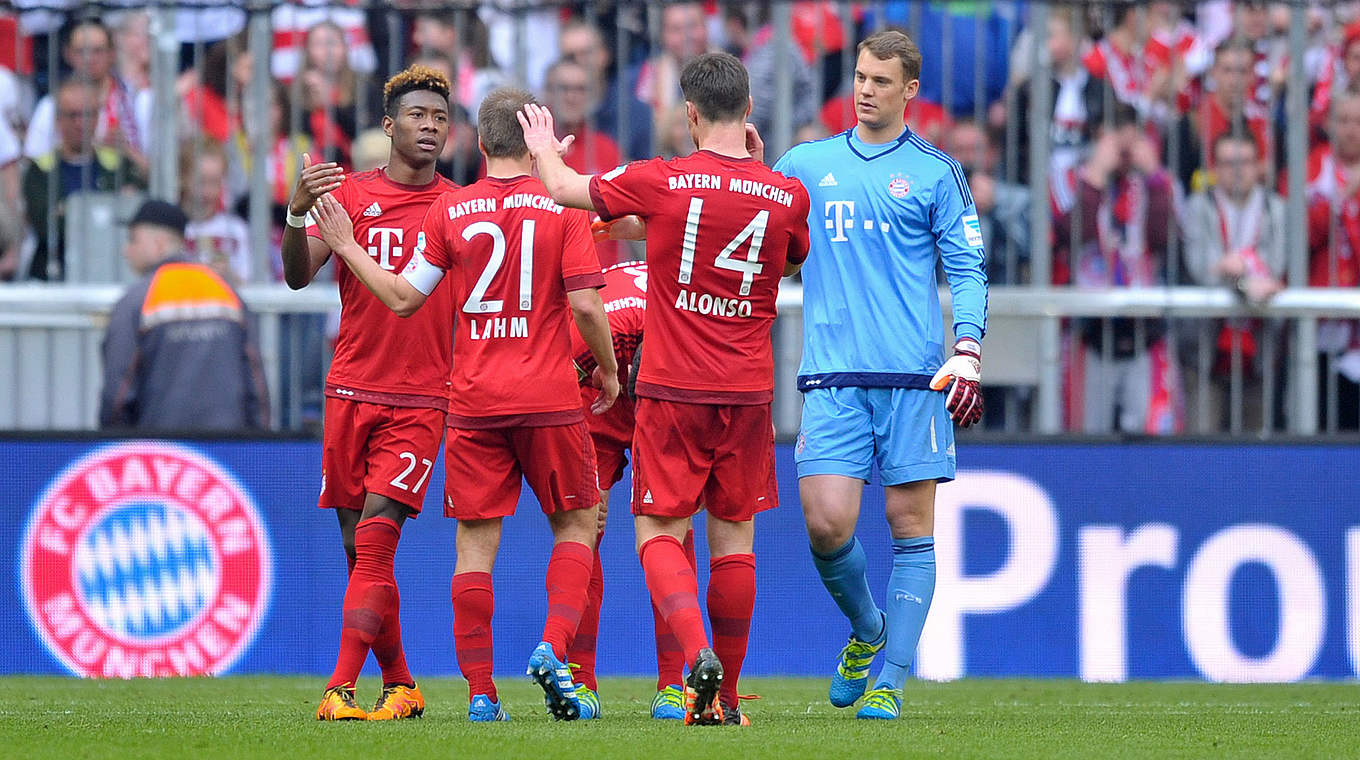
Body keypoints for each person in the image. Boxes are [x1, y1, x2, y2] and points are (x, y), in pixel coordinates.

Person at [522, 51, 811, 726]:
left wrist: (541, 147)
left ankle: (695, 658)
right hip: (748, 393)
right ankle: (727, 704)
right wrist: (759, 168)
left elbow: (566, 189)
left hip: (674, 388)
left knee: (656, 527)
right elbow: (792, 261)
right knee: (734, 540)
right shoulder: (786, 192)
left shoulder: (662, 180)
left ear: (688, 113)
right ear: (748, 112)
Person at [313, 86, 618, 723]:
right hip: (550, 396)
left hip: (474, 401)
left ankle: (481, 696)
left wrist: (346, 248)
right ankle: (553, 649)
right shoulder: (560, 206)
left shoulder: (450, 212)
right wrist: (610, 375)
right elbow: (589, 305)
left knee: (474, 550)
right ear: (535, 144)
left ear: (477, 143)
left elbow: (402, 299)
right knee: (577, 524)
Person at [770, 29, 987, 720]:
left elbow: (967, 267)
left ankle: (891, 680)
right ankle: (869, 629)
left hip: (914, 380)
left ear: (910, 90)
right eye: (861, 77)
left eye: (881, 81)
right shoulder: (806, 163)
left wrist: (968, 345)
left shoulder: (934, 171)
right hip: (832, 377)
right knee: (826, 523)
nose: (865, 89)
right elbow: (751, 226)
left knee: (907, 522)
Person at [281, 64, 458, 722]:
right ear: (389, 126)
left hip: (419, 401)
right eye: (418, 115)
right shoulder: (349, 197)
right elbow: (298, 278)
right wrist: (298, 210)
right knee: (361, 551)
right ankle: (403, 684)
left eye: (440, 117)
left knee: (377, 541)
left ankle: (339, 687)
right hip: (349, 389)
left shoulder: (457, 207)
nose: (431, 126)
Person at [1053, 105, 1181, 434]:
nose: (1123, 152)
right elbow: (1072, 234)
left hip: (1145, 331)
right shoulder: (1070, 178)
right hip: (1089, 330)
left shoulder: (1155, 183)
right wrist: (1096, 176)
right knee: (1084, 437)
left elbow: (1164, 237)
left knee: (1154, 436)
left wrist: (1153, 176)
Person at [99, 199, 268, 430]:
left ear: (159, 244)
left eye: (133, 240)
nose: (126, 250)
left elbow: (117, 392)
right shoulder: (226, 293)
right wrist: (259, 441)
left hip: (161, 451)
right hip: (228, 448)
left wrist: (114, 442)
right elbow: (255, 382)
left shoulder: (137, 301)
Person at [1181, 131, 1286, 432]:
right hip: (1205, 353)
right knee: (1202, 442)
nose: (1238, 170)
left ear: (1259, 166)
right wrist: (1247, 284)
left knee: (1256, 448)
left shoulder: (1275, 208)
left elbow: (1275, 266)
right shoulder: (1198, 206)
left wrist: (1233, 269)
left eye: (1245, 161)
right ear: (1213, 168)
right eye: (1228, 162)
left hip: (1259, 351)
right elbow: (1202, 267)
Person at [22, 79, 143, 281]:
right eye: (72, 115)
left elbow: (136, 218)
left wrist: (67, 211)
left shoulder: (119, 165)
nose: (80, 123)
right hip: (54, 273)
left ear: (98, 117)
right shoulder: (40, 169)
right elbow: (47, 227)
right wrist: (106, 214)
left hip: (112, 271)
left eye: (88, 114)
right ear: (57, 119)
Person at [181, 141, 252, 284]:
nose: (207, 192)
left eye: (214, 182)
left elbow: (248, 285)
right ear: (183, 178)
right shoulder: (173, 229)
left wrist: (226, 274)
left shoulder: (237, 230)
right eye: (201, 182)